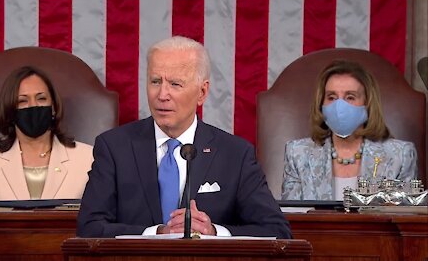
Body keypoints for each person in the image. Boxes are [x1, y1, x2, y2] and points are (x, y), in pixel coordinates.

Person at [77, 36, 291, 238]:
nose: (162, 95)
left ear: (202, 92)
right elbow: (89, 227)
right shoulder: (114, 147)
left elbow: (276, 230)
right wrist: (156, 234)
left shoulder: (235, 154)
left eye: (175, 84)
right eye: (155, 81)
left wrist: (213, 232)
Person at [0, 66, 93, 205]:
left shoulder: (88, 158)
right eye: (22, 101)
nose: (33, 106)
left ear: (54, 107)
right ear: (10, 109)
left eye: (41, 98)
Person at [282, 60, 418, 201]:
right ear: (321, 103)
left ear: (368, 103)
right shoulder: (297, 154)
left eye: (350, 97)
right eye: (332, 97)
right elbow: (292, 216)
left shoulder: (400, 156)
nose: (339, 106)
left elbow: (402, 218)